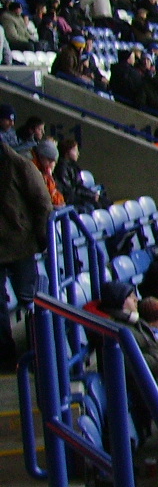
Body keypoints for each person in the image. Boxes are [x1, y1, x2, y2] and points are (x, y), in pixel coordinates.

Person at [2, 145, 55, 366]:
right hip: (20, 243)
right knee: (27, 299)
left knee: (30, 299)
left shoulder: (20, 165)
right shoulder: (21, 164)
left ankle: (38, 353)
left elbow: (43, 204)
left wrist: (41, 238)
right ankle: (13, 356)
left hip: (20, 246)